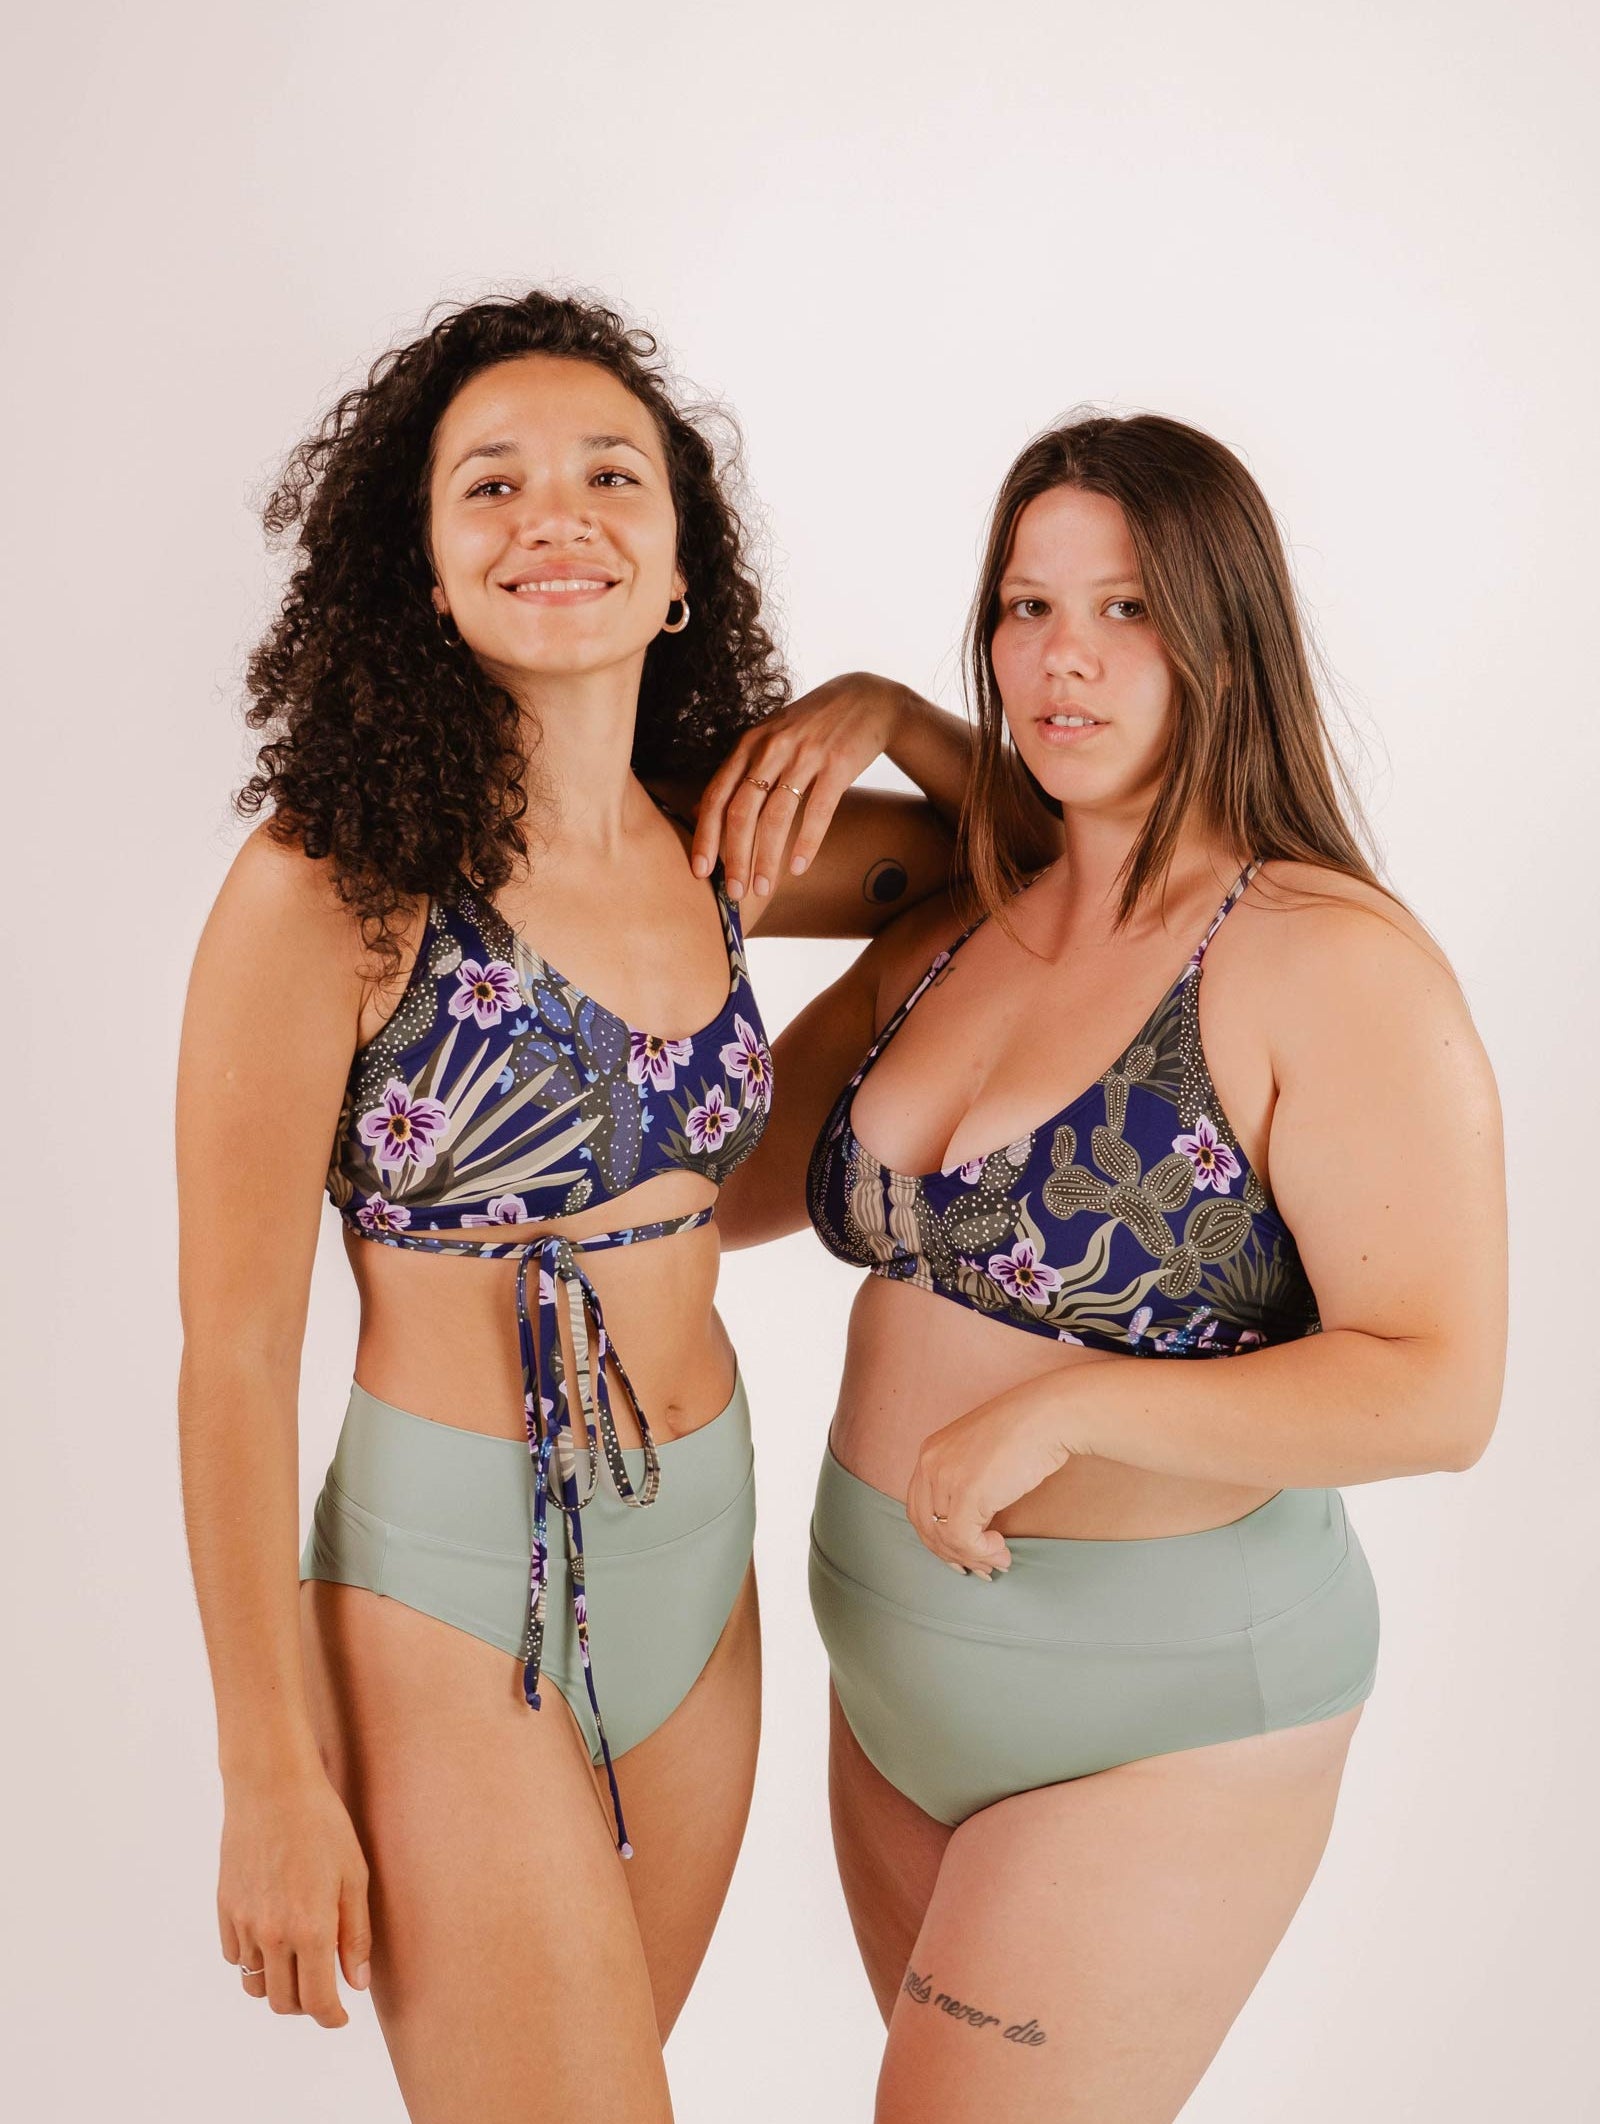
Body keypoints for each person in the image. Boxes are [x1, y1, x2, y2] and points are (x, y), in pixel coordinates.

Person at [175, 288, 972, 2122]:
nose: (559, 515)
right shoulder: (330, 895)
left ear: (679, 559)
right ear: (425, 570)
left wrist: (900, 713)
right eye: (493, 485)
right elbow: (230, 1360)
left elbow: (1046, 863)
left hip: (699, 1565)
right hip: (450, 1588)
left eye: (614, 474)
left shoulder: (727, 850)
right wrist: (272, 1771)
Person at [718, 412, 1506, 2123]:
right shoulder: (956, 915)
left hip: (1162, 1717)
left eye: (1128, 608)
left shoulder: (1321, 957)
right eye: (1024, 607)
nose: (1062, 656)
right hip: (892, 1680)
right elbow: (721, 1191)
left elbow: (1442, 1385)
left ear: (1223, 632)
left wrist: (1071, 1407)